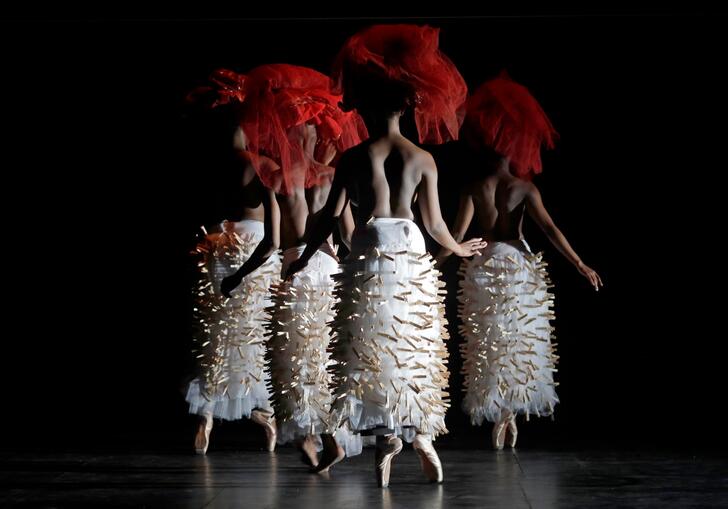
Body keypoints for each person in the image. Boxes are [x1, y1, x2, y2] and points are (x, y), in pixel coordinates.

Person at [285, 25, 486, 486]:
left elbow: (330, 217)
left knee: (370, 340)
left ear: (372, 107)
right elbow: (434, 223)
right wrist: (457, 247)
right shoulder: (422, 158)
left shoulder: (354, 157)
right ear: (408, 106)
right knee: (411, 341)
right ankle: (419, 435)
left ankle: (385, 437)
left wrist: (303, 258)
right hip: (410, 245)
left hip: (370, 244)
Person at [436, 73, 602, 450]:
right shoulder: (524, 188)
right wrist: (579, 264)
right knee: (519, 338)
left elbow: (458, 238)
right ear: (514, 147)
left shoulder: (474, 188)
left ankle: (499, 411)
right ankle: (510, 412)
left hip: (483, 266)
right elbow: (551, 230)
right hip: (518, 267)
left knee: (489, 341)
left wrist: (435, 262)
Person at [220, 64, 367, 468]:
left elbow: (269, 243)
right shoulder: (331, 178)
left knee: (295, 358)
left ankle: (309, 435)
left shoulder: (274, 179)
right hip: (328, 270)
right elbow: (350, 238)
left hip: (295, 272)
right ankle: (334, 433)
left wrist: (237, 275)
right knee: (325, 355)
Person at [184, 69, 281, 455]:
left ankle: (206, 415)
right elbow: (274, 239)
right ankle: (263, 414)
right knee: (253, 335)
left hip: (220, 243)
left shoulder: (214, 163)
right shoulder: (263, 166)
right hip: (253, 247)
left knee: (219, 336)